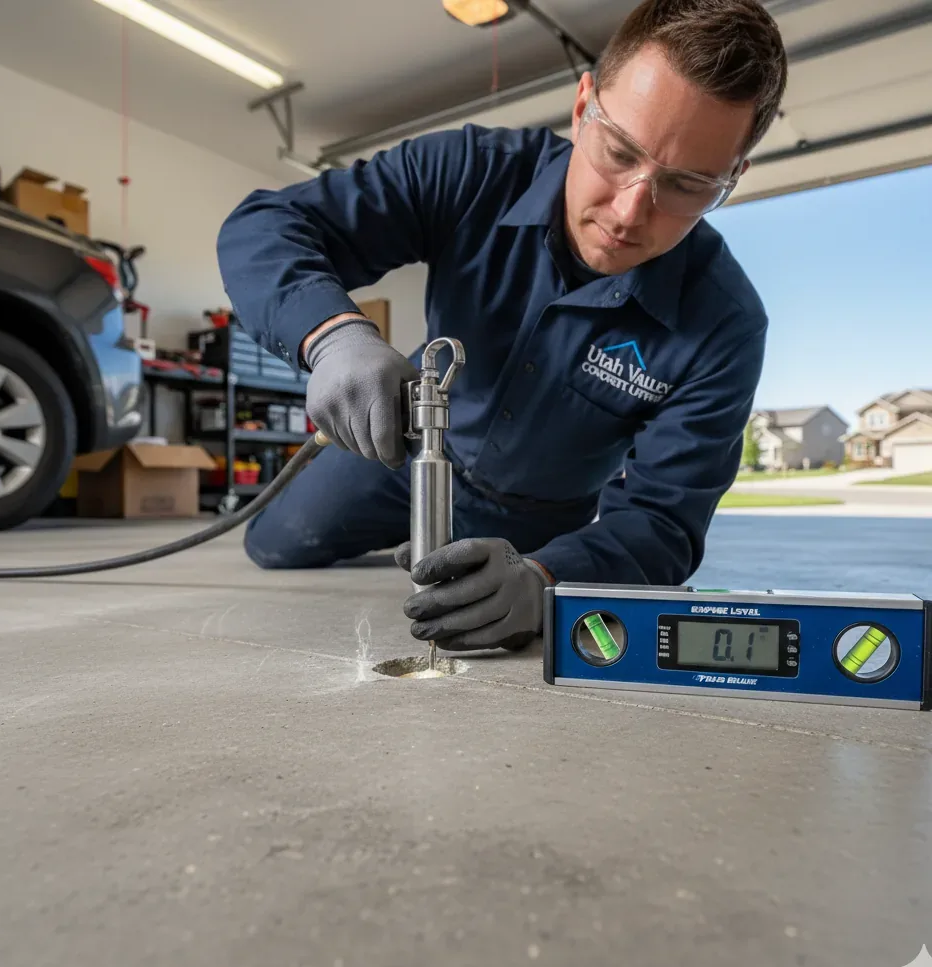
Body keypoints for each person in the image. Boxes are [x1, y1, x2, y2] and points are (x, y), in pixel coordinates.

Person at [216, 0, 788, 653]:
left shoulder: (725, 324)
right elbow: (264, 227)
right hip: (402, 453)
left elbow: (664, 520)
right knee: (274, 546)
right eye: (619, 151)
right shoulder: (473, 171)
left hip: (543, 520)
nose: (631, 211)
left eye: (686, 185)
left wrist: (548, 579)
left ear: (732, 179)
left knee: (499, 612)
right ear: (582, 105)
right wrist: (331, 335)